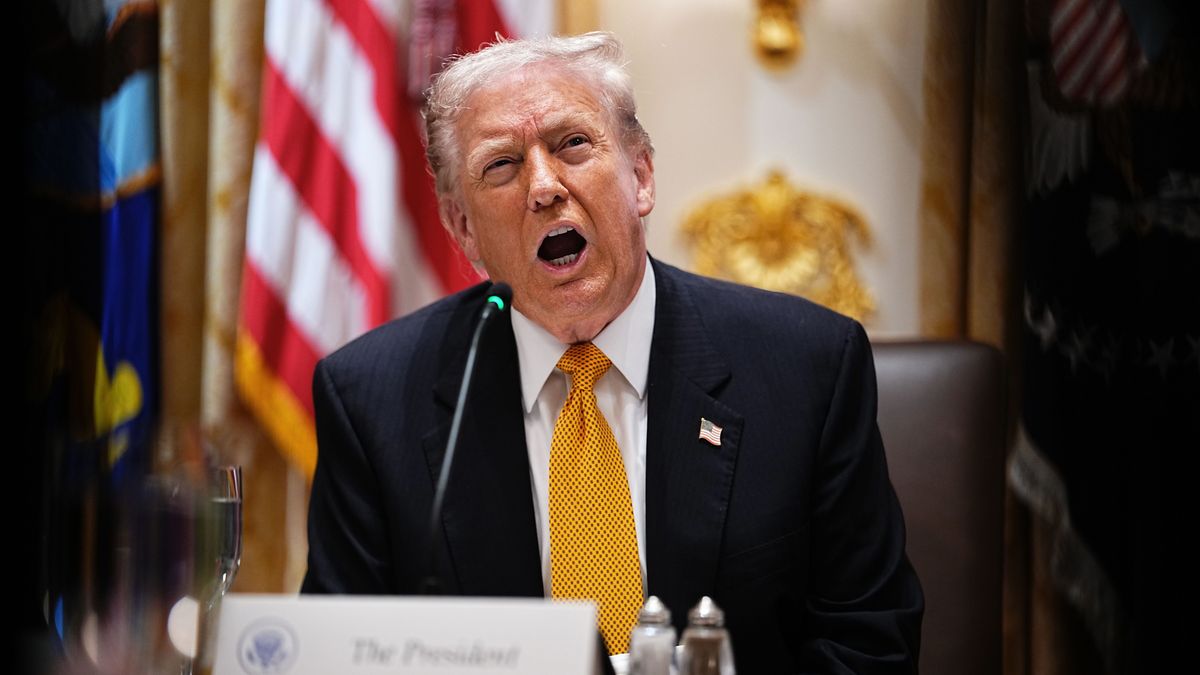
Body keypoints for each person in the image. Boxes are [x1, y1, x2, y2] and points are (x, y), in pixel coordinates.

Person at [301, 31, 923, 673]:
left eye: (572, 144)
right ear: (463, 230)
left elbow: (869, 641)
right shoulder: (371, 402)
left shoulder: (806, 368)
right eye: (502, 166)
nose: (543, 186)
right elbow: (339, 655)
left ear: (641, 176)